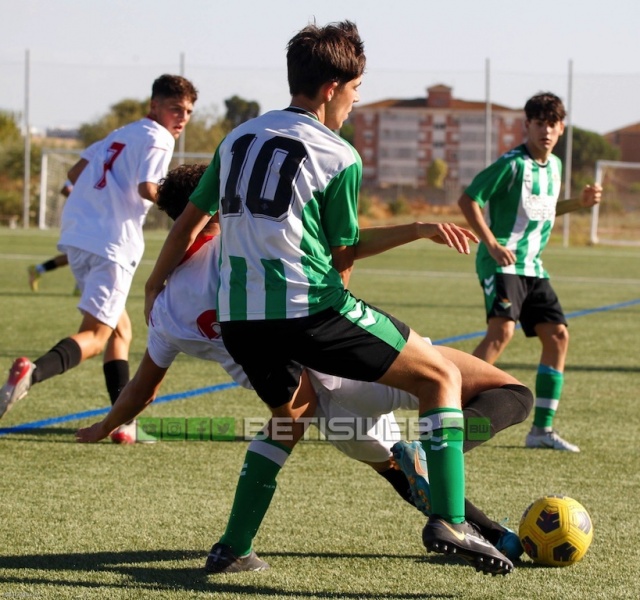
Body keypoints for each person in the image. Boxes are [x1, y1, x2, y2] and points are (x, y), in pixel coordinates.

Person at [143, 21, 514, 575]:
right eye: (356, 88)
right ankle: (450, 519)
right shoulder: (339, 155)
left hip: (241, 321)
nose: (357, 101)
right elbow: (343, 258)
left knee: (289, 417)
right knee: (440, 377)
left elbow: (188, 225)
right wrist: (414, 230)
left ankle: (233, 548)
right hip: (309, 309)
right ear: (332, 87)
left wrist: (153, 284)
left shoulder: (237, 138)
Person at [76, 163, 532, 570]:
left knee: (391, 470)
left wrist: (107, 424)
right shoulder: (251, 247)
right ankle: (437, 468)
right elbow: (344, 249)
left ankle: (496, 536)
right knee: (509, 394)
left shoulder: (167, 307)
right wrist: (416, 228)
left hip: (316, 412)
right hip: (354, 364)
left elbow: (142, 390)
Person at [0, 74, 198, 445]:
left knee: (120, 331)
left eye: (187, 111)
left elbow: (75, 173)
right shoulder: (159, 137)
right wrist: (191, 212)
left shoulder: (121, 134)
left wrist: (98, 198)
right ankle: (31, 373)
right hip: (113, 244)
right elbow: (147, 187)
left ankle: (122, 423)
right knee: (95, 335)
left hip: (77, 236)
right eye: (175, 108)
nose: (182, 117)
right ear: (154, 106)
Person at [457, 92, 602, 453]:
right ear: (528, 126)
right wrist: (490, 242)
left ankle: (541, 430)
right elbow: (469, 199)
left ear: (561, 128)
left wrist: (579, 204)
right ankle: (447, 413)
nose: (546, 131)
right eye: (539, 123)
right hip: (502, 262)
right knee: (500, 333)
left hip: (533, 266)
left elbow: (547, 209)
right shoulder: (511, 164)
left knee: (558, 337)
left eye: (552, 124)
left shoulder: (553, 167)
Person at [27, 182, 80, 295]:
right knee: (84, 254)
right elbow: (65, 188)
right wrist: (83, 201)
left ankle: (39, 269)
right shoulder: (86, 167)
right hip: (80, 221)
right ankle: (82, 287)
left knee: (75, 255)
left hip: (94, 221)